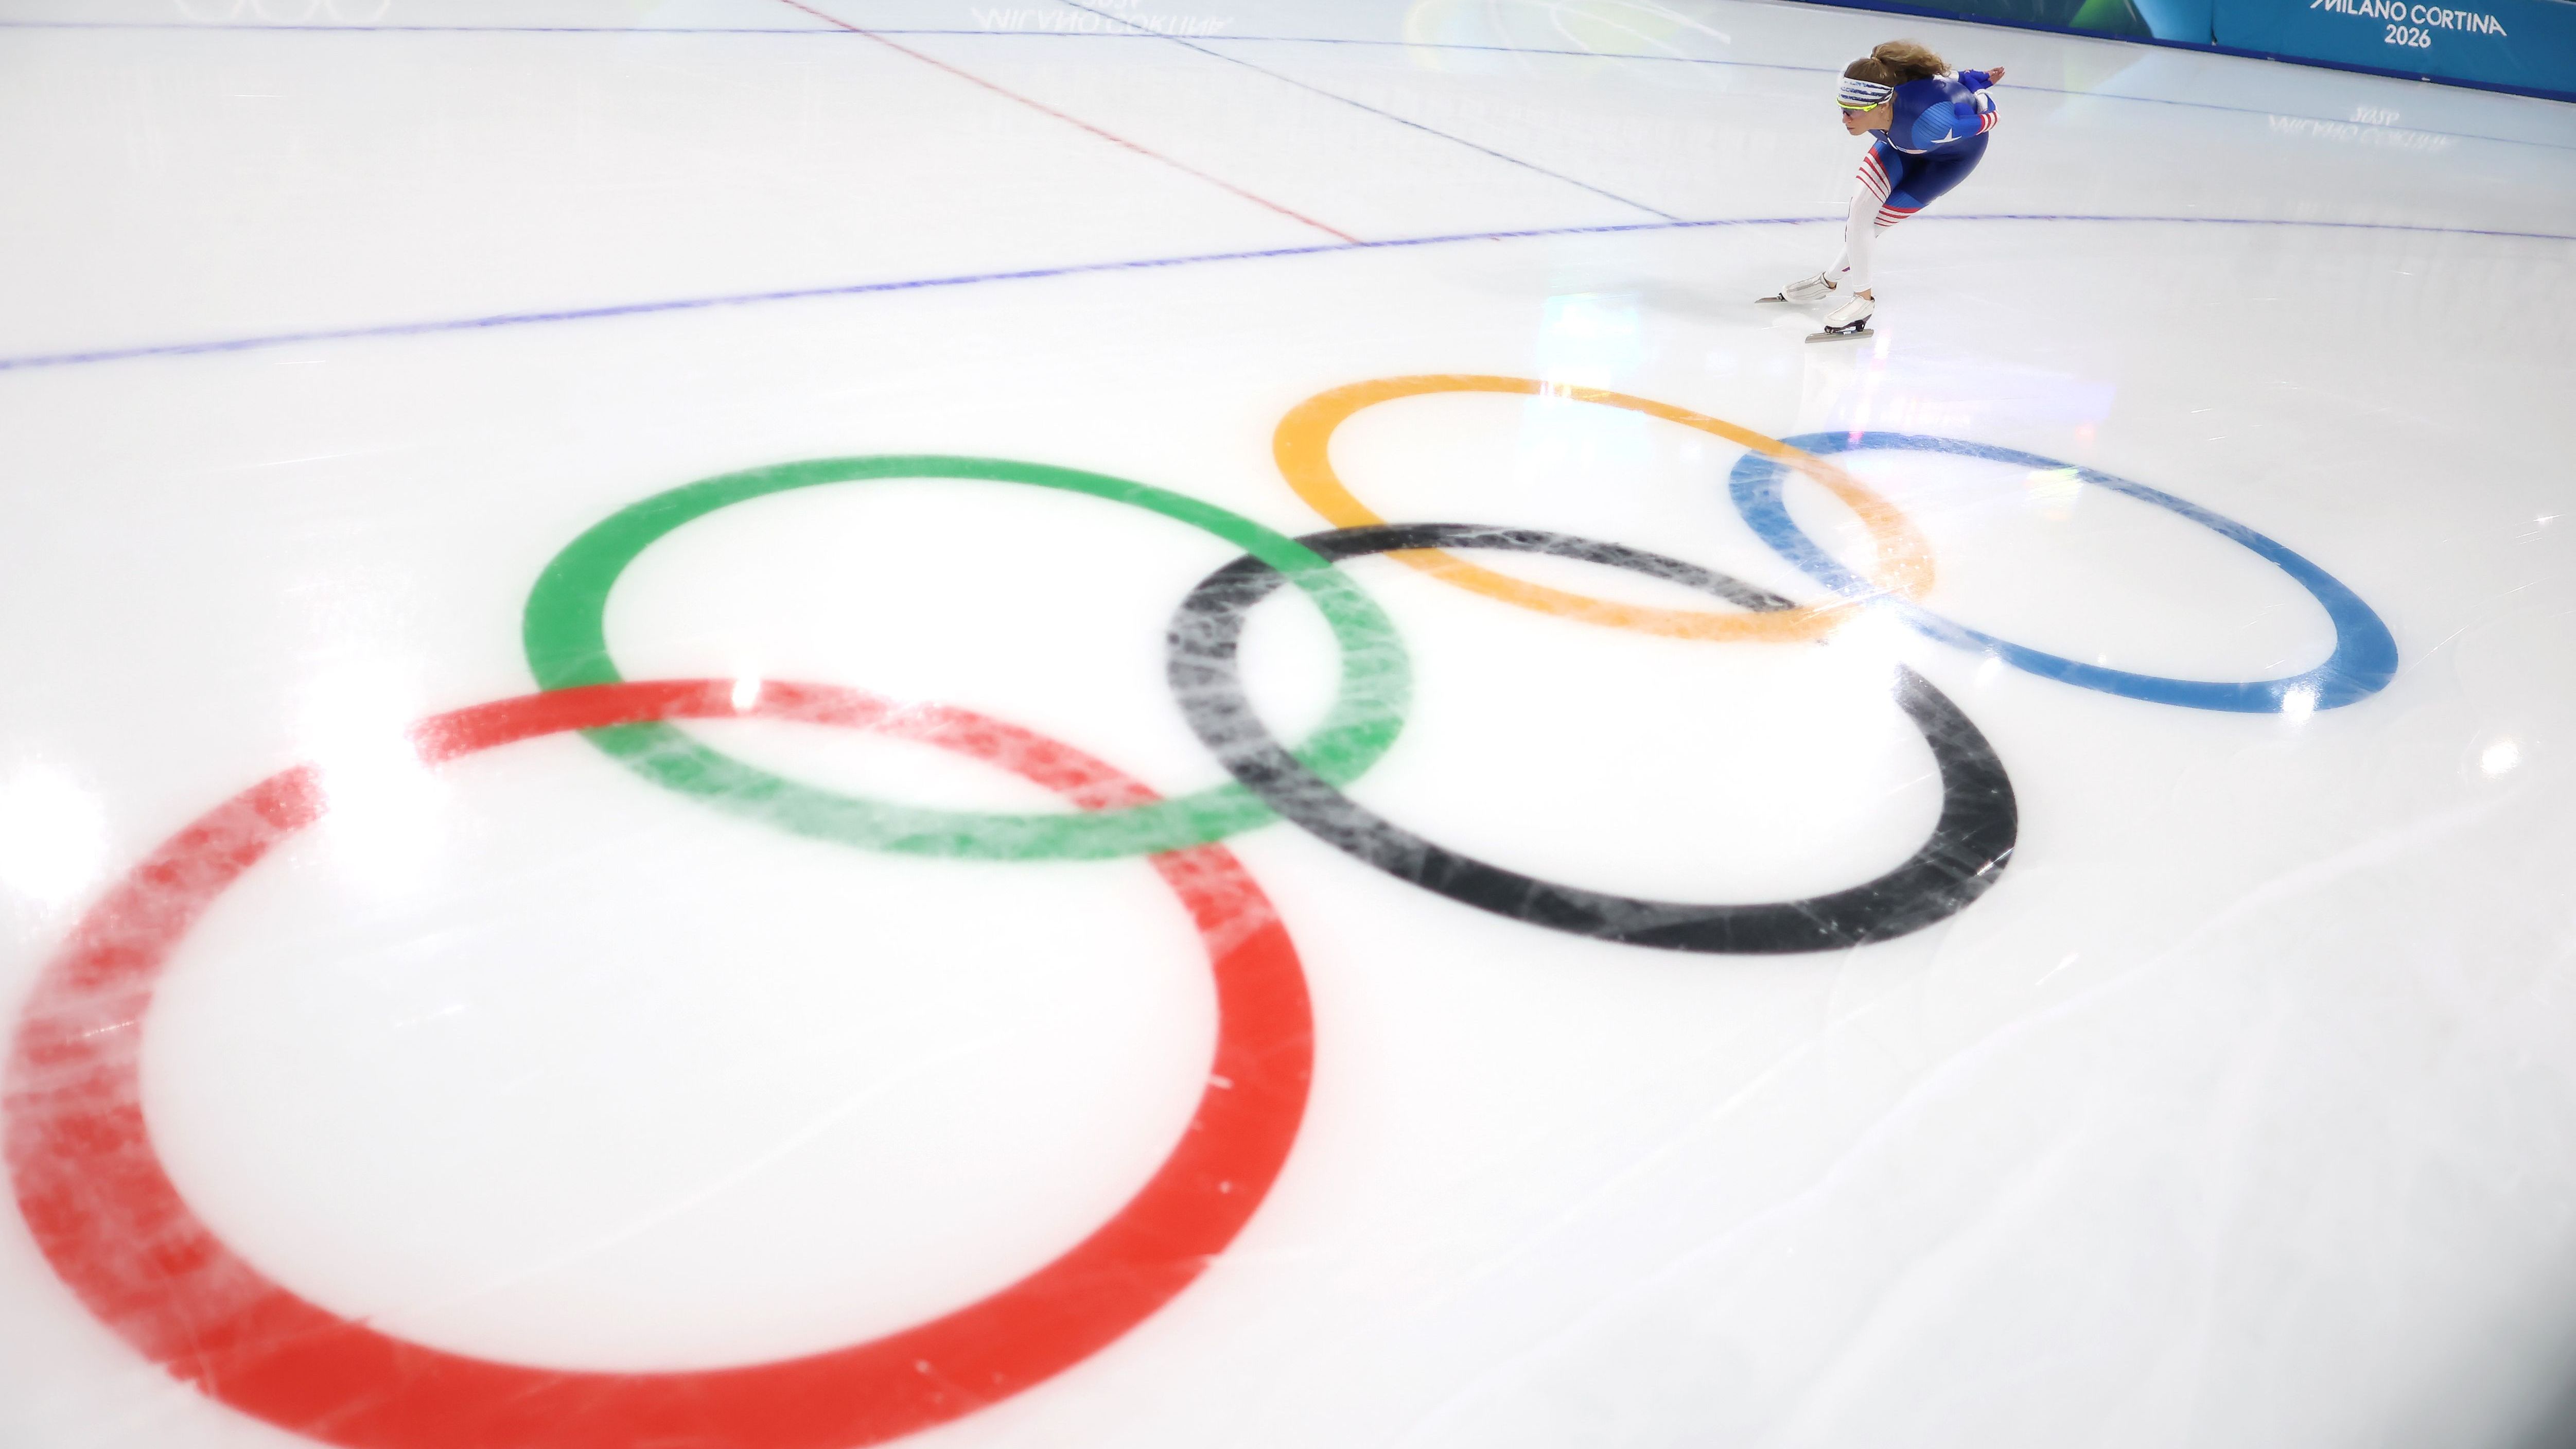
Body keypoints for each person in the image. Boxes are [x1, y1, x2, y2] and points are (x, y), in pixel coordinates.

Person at [1764, 41, 2003, 340]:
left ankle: (1857, 298)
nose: (1845, 120)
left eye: (1853, 112)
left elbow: (1990, 118)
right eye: (1842, 110)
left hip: (1948, 159)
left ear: (1881, 105)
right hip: (1898, 142)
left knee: (1874, 224)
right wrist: (1970, 76)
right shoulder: (1881, 97)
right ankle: (1829, 284)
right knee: (1859, 214)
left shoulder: (1933, 122)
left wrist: (1979, 92)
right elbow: (1946, 77)